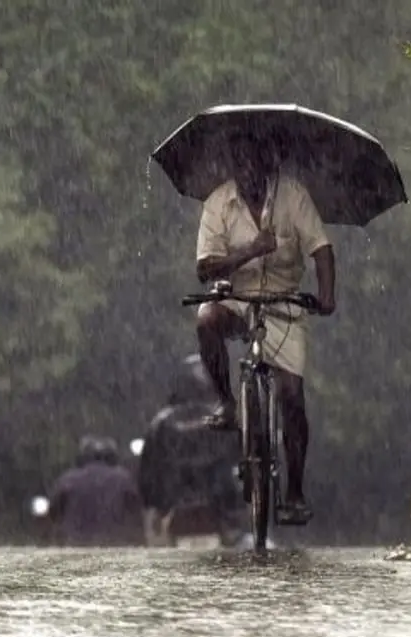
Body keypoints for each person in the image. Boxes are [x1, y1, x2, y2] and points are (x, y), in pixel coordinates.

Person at [194, 133, 336, 526]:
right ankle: (227, 402)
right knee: (206, 320)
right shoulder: (218, 202)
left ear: (269, 165)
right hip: (236, 297)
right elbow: (205, 268)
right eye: (241, 165)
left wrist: (326, 296)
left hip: (284, 301)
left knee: (291, 395)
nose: (249, 174)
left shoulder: (293, 196)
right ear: (233, 168)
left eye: (256, 165)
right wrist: (251, 251)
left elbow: (322, 250)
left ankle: (294, 491)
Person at [136, 354, 244, 546]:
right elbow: (243, 461)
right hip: (220, 508)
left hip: (173, 507)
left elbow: (148, 474)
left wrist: (154, 505)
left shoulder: (161, 422)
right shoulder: (226, 419)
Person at [47, 435, 145, 547]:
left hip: (75, 543)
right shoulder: (124, 480)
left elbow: (54, 514)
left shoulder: (68, 480)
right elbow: (136, 515)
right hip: (114, 543)